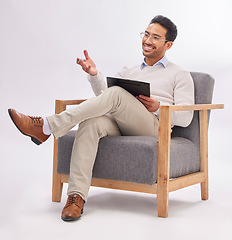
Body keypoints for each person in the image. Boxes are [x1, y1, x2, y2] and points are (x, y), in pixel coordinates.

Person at [8, 15, 194, 222]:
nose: (147, 41)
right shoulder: (129, 71)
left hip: (154, 126)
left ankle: (47, 126)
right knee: (91, 122)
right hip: (122, 123)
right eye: (146, 34)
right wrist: (95, 75)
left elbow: (186, 117)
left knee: (116, 94)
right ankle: (75, 197)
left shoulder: (180, 74)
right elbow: (105, 100)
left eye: (155, 38)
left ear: (168, 45)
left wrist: (159, 107)